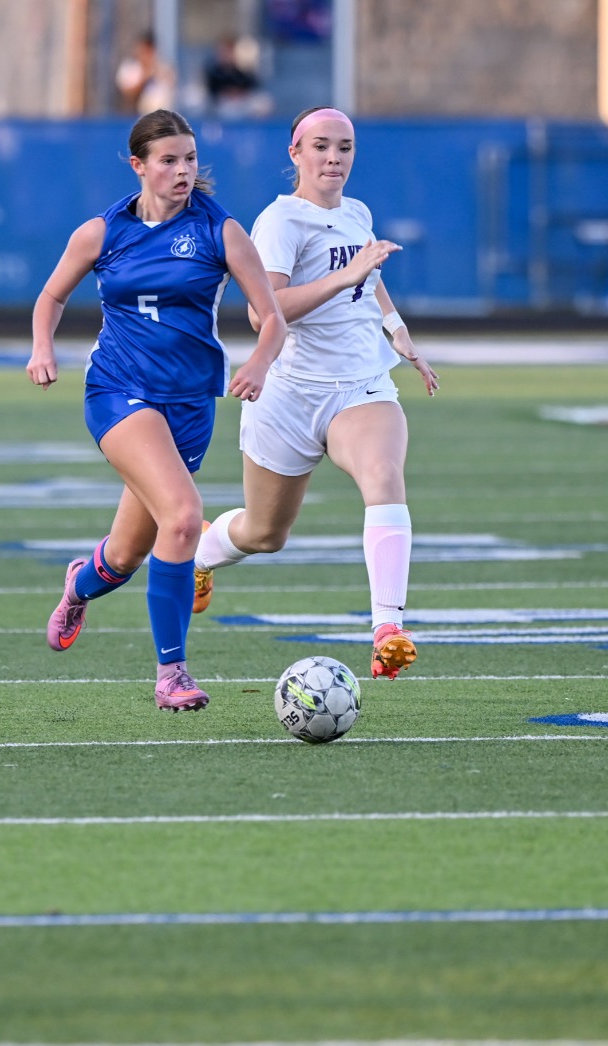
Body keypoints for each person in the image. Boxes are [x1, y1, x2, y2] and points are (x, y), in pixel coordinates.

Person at [27, 109, 287, 711]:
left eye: (190, 159)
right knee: (184, 518)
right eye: (169, 160)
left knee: (124, 556)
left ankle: (79, 584)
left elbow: (271, 316)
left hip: (192, 403)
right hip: (118, 391)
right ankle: (173, 674)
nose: (182, 171)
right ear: (138, 165)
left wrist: (259, 363)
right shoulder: (101, 231)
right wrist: (43, 346)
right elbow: (51, 294)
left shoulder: (220, 231)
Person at [191, 106, 440, 680]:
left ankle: (388, 629)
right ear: (295, 154)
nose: (334, 158)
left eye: (345, 147)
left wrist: (399, 333)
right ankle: (202, 556)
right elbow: (264, 313)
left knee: (383, 476)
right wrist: (344, 276)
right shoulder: (279, 223)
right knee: (264, 532)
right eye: (321, 146)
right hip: (289, 395)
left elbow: (371, 282)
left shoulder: (356, 212)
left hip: (360, 386)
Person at [115, 33, 176, 115]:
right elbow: (127, 96)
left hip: (160, 118)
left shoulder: (164, 69)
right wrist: (146, 77)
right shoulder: (130, 68)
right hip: (133, 117)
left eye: (149, 51)